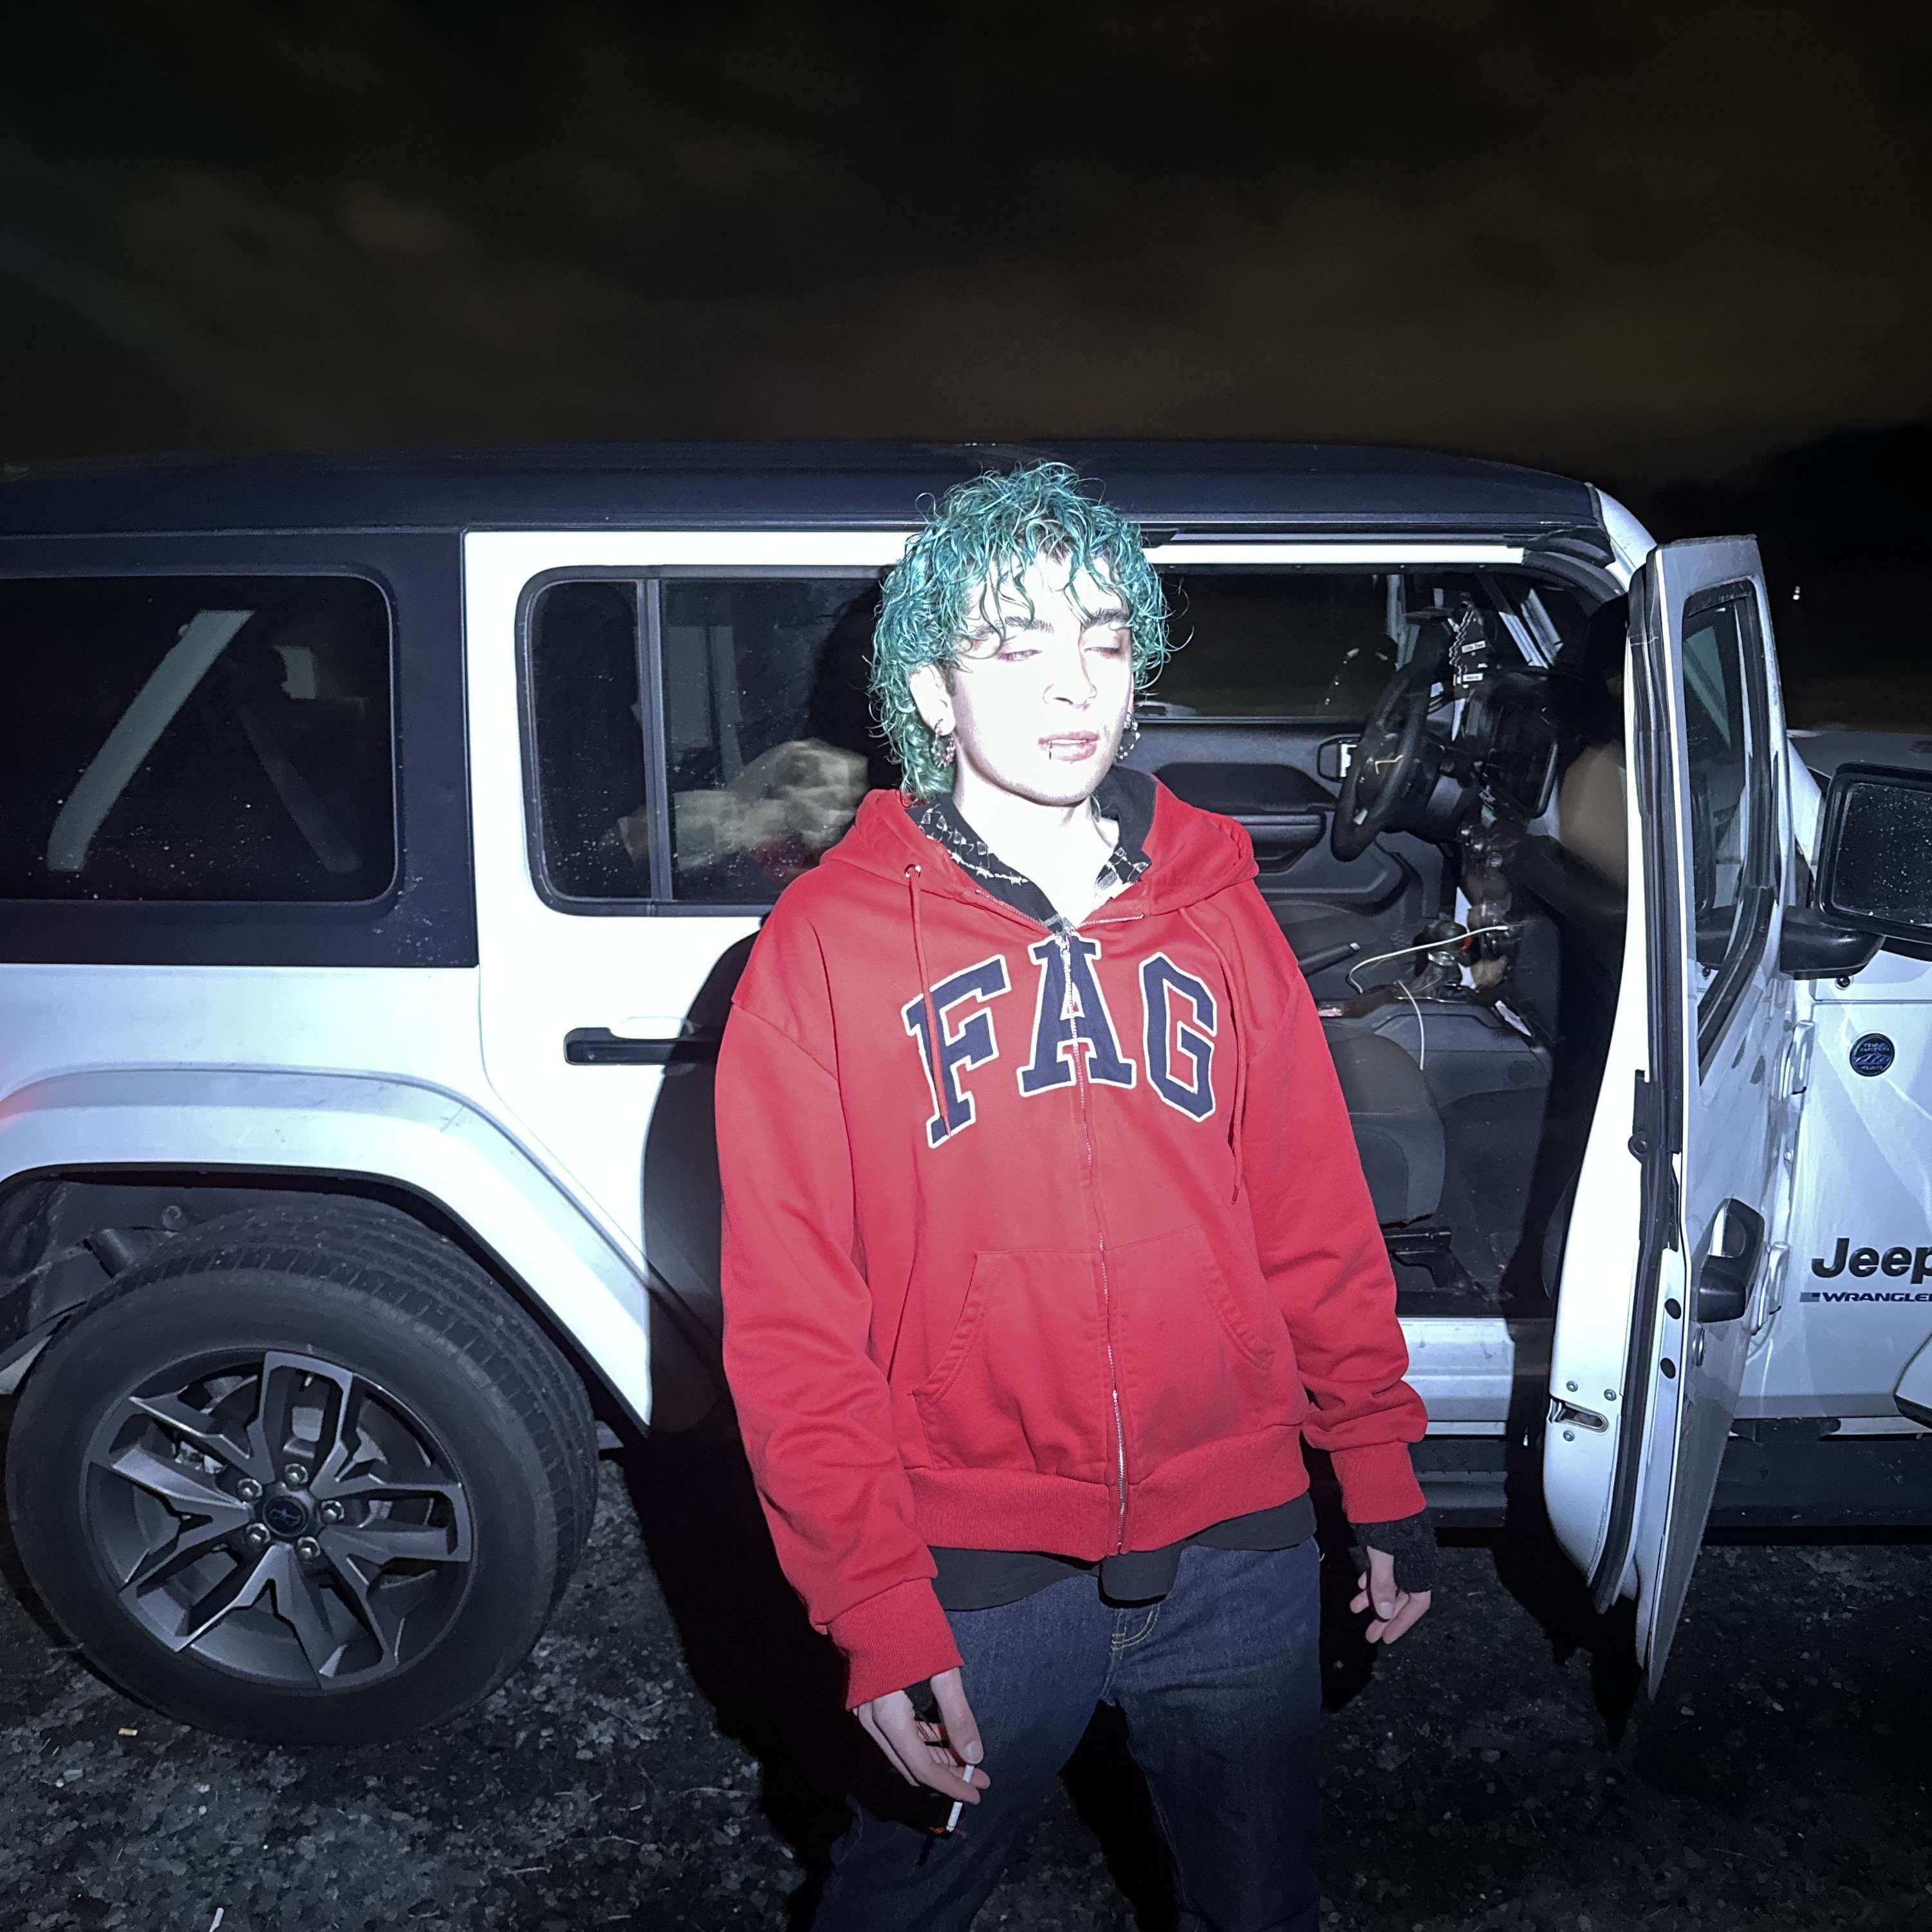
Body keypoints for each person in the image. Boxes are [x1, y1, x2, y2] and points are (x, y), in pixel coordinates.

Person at [714, 461, 1435, 1931]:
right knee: (893, 1907)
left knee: (1265, 1905)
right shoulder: (823, 948)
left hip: (1238, 1545)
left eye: (1104, 639)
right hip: (973, 1571)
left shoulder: (1218, 910)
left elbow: (1311, 1217)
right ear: (931, 686)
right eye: (1015, 645)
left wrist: (1375, 1466)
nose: (1072, 687)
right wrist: (872, 1606)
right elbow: (794, 1323)